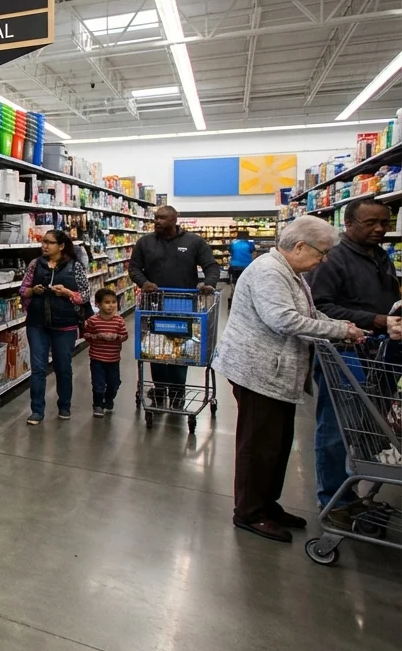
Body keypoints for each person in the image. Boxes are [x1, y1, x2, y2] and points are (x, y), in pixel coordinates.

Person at [213, 216, 365, 543]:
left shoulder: (291, 272)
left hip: (278, 373)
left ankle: (268, 504)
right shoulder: (269, 272)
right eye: (321, 252)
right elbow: (282, 319)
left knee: (278, 445)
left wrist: (345, 326)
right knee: (258, 446)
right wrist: (340, 330)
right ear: (299, 246)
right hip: (257, 373)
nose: (324, 259)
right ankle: (249, 513)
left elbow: (308, 314)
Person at [306, 198, 402, 521]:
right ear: (348, 224)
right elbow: (320, 308)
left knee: (363, 429)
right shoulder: (331, 259)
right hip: (344, 356)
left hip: (378, 356)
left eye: (385, 223)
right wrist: (376, 320)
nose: (379, 229)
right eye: (370, 223)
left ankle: (348, 494)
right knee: (336, 429)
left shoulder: (380, 256)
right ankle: (332, 501)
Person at [127, 205, 219, 407]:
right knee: (155, 348)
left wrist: (209, 284)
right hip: (154, 305)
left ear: (175, 219)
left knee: (181, 351)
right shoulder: (145, 242)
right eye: (156, 218)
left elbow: (211, 266)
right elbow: (133, 268)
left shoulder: (194, 242)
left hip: (184, 304)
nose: (157, 221)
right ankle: (159, 390)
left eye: (162, 218)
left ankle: (178, 393)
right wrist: (144, 283)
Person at [19, 230, 90, 425]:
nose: (45, 246)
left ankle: (64, 405)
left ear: (61, 246)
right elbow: (23, 289)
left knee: (63, 367)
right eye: (43, 242)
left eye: (50, 243)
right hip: (37, 323)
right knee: (38, 368)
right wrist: (33, 290)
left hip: (65, 324)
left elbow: (85, 295)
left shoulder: (75, 266)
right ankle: (37, 410)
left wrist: (67, 292)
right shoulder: (35, 264)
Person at [83, 288, 130, 418]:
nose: (111, 305)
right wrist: (97, 336)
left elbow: (124, 336)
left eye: (114, 302)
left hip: (114, 359)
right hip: (97, 359)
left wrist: (116, 337)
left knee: (114, 384)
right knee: (98, 384)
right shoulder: (93, 320)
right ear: (98, 304)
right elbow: (86, 335)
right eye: (107, 302)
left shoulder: (119, 321)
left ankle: (109, 398)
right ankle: (97, 405)